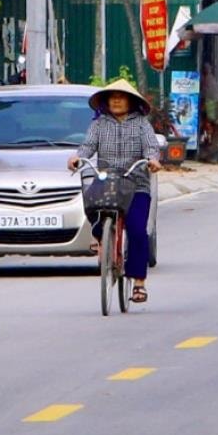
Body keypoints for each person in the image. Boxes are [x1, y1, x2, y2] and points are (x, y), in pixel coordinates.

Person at [70, 79, 159, 306]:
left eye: (122, 96)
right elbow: (88, 146)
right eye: (113, 97)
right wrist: (77, 158)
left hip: (136, 183)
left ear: (131, 101)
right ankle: (101, 236)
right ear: (106, 101)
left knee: (138, 231)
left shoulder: (141, 124)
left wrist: (152, 160)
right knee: (92, 205)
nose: (117, 100)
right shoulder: (99, 125)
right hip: (107, 181)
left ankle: (138, 282)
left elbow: (151, 147)